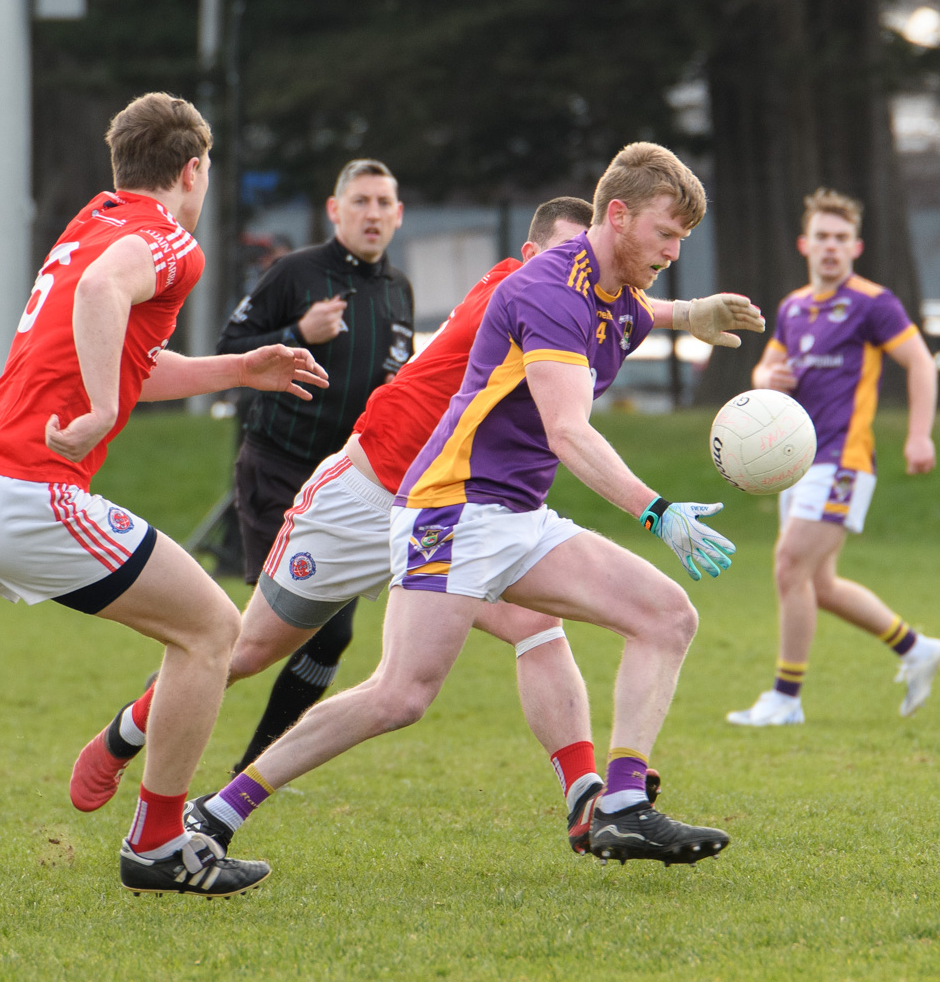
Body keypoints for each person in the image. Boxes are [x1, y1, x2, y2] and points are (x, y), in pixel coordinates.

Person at [70, 195, 758, 854]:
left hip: (470, 509)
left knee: (532, 626)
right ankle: (127, 733)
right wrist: (672, 323)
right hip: (367, 495)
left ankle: (590, 797)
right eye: (565, 254)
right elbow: (578, 391)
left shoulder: (588, 297)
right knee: (247, 651)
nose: (579, 270)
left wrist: (686, 311)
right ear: (529, 255)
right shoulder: (529, 289)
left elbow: (623, 301)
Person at [0, 93, 326, 898]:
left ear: (119, 164)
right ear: (194, 168)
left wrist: (239, 367)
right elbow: (101, 297)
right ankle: (159, 843)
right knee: (211, 630)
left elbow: (125, 350)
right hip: (26, 491)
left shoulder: (93, 218)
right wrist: (96, 412)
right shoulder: (170, 241)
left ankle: (146, 808)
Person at [726, 187, 940, 728]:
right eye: (822, 237)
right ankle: (916, 648)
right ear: (805, 244)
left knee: (787, 566)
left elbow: (920, 363)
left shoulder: (873, 303)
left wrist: (919, 435)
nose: (831, 247)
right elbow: (765, 368)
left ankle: (785, 698)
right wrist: (765, 378)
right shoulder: (793, 307)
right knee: (816, 584)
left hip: (844, 460)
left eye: (841, 238)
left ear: (857, 247)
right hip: (797, 464)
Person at [217, 159, 414, 773]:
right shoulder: (296, 272)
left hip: (352, 485)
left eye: (384, 202)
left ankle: (253, 767)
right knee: (268, 640)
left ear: (399, 214)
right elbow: (226, 352)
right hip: (276, 470)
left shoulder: (397, 289)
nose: (373, 213)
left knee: (329, 634)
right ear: (335, 209)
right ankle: (139, 725)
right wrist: (298, 331)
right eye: (360, 201)